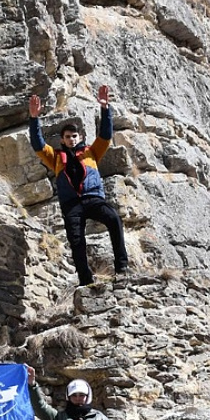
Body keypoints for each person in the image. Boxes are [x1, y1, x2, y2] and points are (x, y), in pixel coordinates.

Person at [28, 85, 129, 286]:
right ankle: (85, 279)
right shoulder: (56, 157)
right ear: (63, 140)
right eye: (67, 137)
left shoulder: (92, 152)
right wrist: (34, 119)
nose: (71, 139)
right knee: (76, 241)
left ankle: (122, 267)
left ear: (80, 137)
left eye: (74, 136)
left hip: (93, 199)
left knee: (114, 219)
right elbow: (38, 144)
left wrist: (105, 108)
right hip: (72, 205)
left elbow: (106, 136)